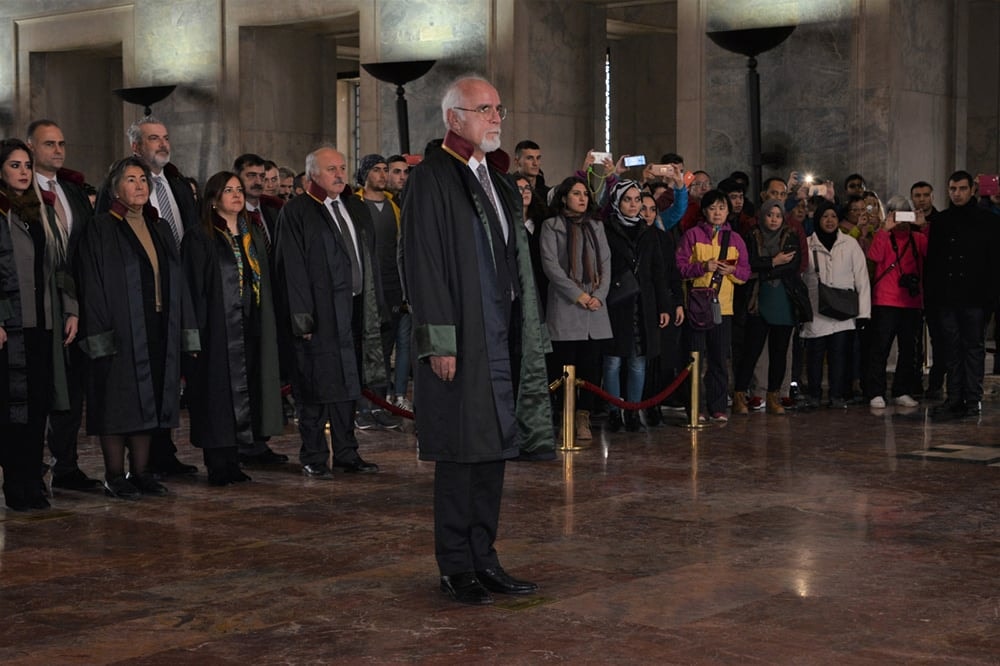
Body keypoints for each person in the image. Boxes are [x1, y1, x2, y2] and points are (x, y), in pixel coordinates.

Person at [401, 75, 552, 605]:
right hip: (460, 335)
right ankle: (456, 564)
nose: (496, 118)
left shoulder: (496, 176)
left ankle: (485, 558)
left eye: (498, 109)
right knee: (461, 453)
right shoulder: (433, 177)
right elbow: (422, 263)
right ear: (453, 118)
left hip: (499, 333)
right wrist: (439, 340)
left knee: (493, 452)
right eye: (484, 109)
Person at [77, 156, 199, 499]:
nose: (140, 185)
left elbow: (177, 281)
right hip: (119, 329)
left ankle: (141, 472)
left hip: (157, 325)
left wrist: (185, 330)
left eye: (143, 179)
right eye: (131, 180)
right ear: (115, 187)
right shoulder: (101, 227)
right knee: (118, 402)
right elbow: (93, 285)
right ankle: (114, 475)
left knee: (151, 398)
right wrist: (100, 336)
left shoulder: (159, 227)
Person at [273, 145, 383, 478]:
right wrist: (302, 318)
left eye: (341, 167)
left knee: (348, 384)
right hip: (317, 316)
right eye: (331, 169)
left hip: (352, 309)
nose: (339, 174)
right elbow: (290, 269)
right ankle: (314, 455)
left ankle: (348, 453)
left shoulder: (354, 206)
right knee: (314, 387)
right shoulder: (297, 211)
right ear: (312, 175)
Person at [181, 172, 283, 485]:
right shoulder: (200, 237)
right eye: (229, 190)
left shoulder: (250, 233)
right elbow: (191, 289)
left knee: (243, 393)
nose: (237, 195)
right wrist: (193, 335)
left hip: (248, 326)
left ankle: (236, 458)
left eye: (239, 190)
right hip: (215, 330)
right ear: (213, 199)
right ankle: (218, 463)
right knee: (216, 397)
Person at [0, 138, 77, 510]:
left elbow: (58, 268)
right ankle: (15, 484)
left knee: (39, 406)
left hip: (44, 323)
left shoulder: (40, 212)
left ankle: (33, 479)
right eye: (15, 165)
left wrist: (70, 308)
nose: (23, 172)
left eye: (27, 166)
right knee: (13, 409)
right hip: (10, 326)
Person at [26, 118, 100, 491]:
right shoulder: (19, 192)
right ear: (30, 148)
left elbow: (84, 251)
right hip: (37, 305)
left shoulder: (72, 193)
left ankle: (66, 465)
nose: (57, 150)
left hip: (76, 305)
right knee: (38, 384)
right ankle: (30, 463)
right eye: (48, 144)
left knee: (73, 387)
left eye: (61, 143)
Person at [539, 176, 611, 440]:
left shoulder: (596, 226)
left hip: (594, 307)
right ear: (564, 197)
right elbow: (551, 267)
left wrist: (598, 296)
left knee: (591, 368)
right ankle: (564, 415)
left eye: (585, 194)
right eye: (576, 194)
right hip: (566, 304)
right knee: (563, 366)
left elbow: (605, 262)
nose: (582, 199)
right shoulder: (551, 226)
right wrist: (578, 295)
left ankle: (584, 417)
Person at [925, 171, 1000, 419]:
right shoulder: (941, 221)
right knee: (951, 349)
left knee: (973, 348)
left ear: (972, 190)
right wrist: (932, 298)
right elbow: (933, 263)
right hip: (947, 298)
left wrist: (990, 298)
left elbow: (993, 263)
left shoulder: (988, 221)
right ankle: (954, 397)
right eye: (953, 189)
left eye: (962, 189)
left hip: (976, 298)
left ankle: (973, 399)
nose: (957, 193)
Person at [602, 180, 671, 431]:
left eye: (636, 200)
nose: (633, 205)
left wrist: (665, 306)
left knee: (638, 360)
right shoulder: (607, 229)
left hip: (643, 303)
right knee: (613, 361)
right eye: (627, 200)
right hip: (616, 302)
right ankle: (613, 411)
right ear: (617, 202)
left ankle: (633, 411)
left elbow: (658, 272)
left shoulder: (649, 231)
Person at [677, 189, 750, 421]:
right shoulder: (692, 235)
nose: (717, 213)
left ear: (728, 211)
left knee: (719, 359)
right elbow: (680, 268)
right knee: (695, 359)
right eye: (712, 208)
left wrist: (732, 271)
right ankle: (694, 408)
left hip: (723, 308)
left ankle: (718, 407)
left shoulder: (736, 239)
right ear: (705, 211)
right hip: (696, 307)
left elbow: (745, 273)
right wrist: (703, 267)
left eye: (722, 208)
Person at [732, 199, 802, 415]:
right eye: (770, 215)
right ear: (763, 215)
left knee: (779, 352)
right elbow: (749, 262)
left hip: (783, 299)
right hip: (757, 299)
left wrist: (765, 269)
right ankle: (739, 394)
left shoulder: (790, 235)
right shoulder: (752, 235)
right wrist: (773, 262)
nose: (774, 219)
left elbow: (791, 264)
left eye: (778, 215)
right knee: (751, 351)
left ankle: (774, 396)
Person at [800, 201, 871, 408]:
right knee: (814, 354)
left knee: (840, 355)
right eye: (824, 217)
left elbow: (862, 278)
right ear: (817, 220)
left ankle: (837, 395)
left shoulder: (850, 244)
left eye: (833, 216)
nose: (829, 221)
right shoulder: (807, 243)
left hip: (843, 310)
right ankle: (814, 394)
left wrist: (864, 312)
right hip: (816, 309)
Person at [865, 195, 927, 409]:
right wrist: (884, 229)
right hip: (885, 301)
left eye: (904, 214)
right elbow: (874, 255)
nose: (901, 221)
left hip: (911, 301)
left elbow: (932, 253)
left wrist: (923, 226)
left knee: (909, 350)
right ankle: (876, 392)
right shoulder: (883, 236)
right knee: (880, 348)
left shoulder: (917, 238)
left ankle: (902, 390)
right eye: (896, 214)